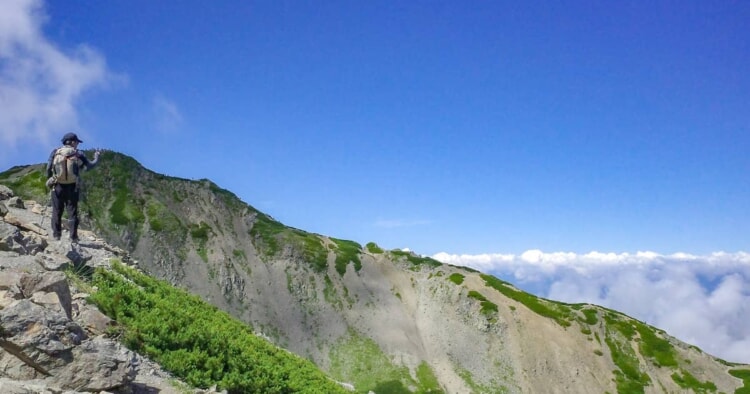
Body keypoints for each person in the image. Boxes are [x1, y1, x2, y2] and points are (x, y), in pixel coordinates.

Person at [46, 132, 101, 242]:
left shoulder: (55, 152)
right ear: (72, 142)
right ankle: (73, 237)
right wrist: (97, 157)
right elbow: (89, 166)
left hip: (57, 186)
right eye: (77, 142)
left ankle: (56, 236)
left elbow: (48, 168)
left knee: (57, 211)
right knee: (72, 212)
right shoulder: (78, 153)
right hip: (72, 187)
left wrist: (50, 179)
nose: (77, 144)